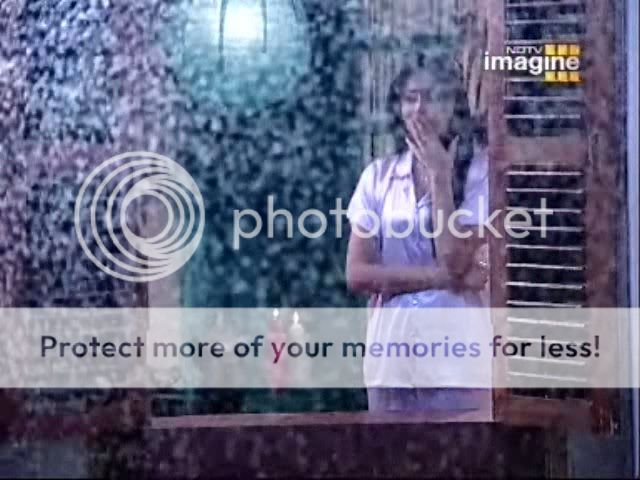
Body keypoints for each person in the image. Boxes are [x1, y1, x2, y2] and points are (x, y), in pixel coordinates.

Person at [345, 50, 493, 415]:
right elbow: (358, 274)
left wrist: (441, 178)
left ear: (454, 106)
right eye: (411, 98)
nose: (421, 109)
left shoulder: (481, 172)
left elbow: (455, 259)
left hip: (458, 359)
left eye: (434, 97)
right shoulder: (378, 176)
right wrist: (442, 278)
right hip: (391, 358)